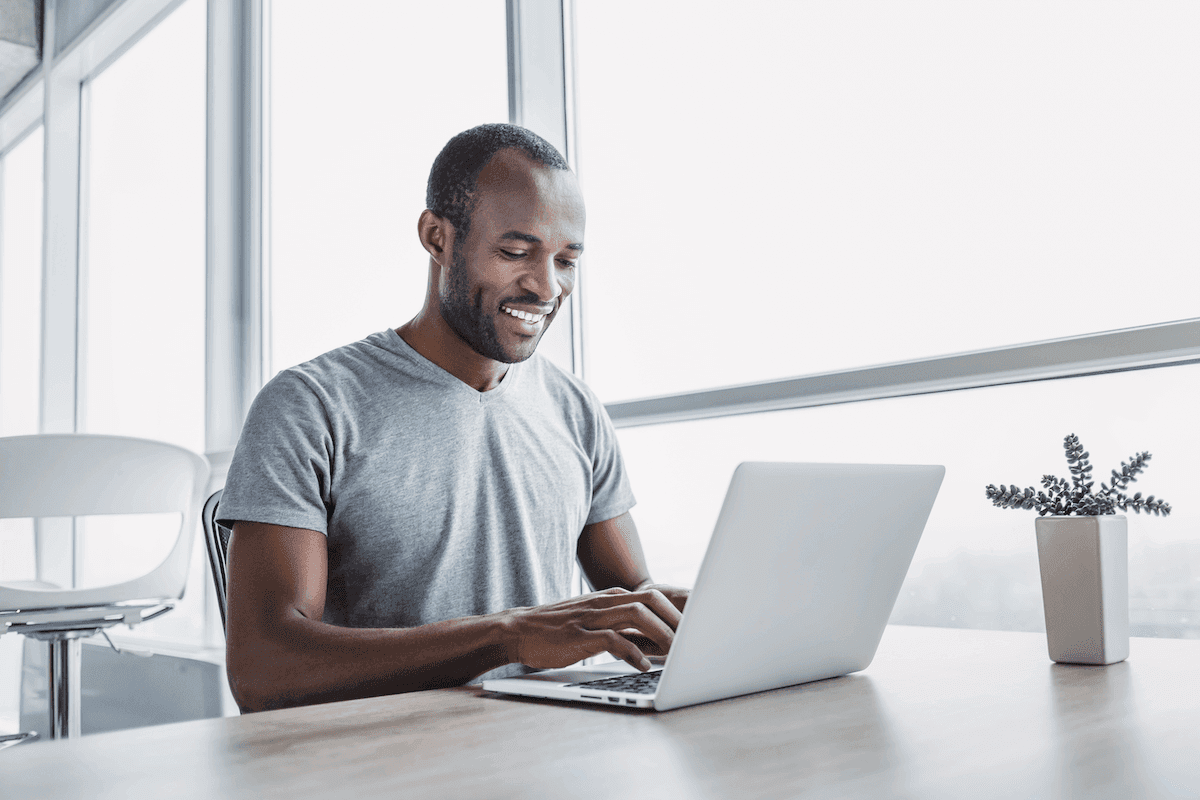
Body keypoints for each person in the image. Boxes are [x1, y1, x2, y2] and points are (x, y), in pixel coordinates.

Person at [219, 123, 688, 713]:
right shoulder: (311, 406)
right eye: (515, 252)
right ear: (437, 237)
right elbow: (263, 669)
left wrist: (713, 619)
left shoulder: (575, 409)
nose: (546, 287)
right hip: (383, 761)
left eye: (566, 260)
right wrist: (507, 636)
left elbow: (630, 599)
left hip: (553, 748)